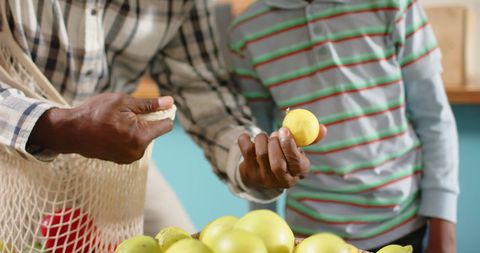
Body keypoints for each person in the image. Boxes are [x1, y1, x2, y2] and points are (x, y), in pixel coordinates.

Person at [0, 0, 324, 244]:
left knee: (178, 243)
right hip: (9, 139)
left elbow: (203, 91)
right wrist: (58, 125)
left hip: (107, 157)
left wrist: (248, 161)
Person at [228, 0, 459, 252]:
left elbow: (435, 120)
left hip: (403, 226)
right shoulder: (246, 32)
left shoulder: (395, 4)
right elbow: (260, 151)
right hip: (308, 239)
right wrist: (262, 237)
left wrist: (443, 227)